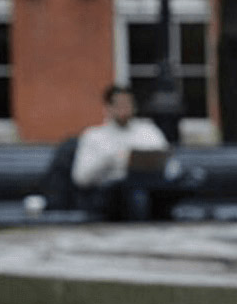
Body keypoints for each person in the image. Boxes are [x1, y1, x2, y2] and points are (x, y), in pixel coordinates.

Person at [71, 84, 168, 218]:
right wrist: (111, 159)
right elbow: (81, 178)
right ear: (108, 108)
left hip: (151, 187)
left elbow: (166, 160)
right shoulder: (94, 136)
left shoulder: (148, 131)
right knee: (136, 196)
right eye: (119, 105)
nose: (125, 109)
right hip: (109, 193)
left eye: (128, 104)